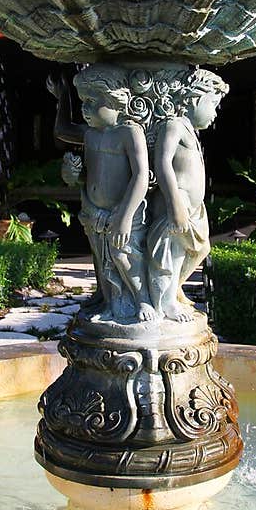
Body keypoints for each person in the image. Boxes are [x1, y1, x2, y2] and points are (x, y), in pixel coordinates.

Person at [47, 71, 152, 323]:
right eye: (84, 102)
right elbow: (62, 130)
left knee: (124, 256)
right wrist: (72, 174)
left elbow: (141, 177)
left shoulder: (129, 132)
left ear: (117, 103)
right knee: (101, 259)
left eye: (94, 102)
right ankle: (109, 303)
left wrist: (124, 218)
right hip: (93, 210)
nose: (86, 109)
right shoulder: (90, 134)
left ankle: (144, 299)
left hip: (123, 211)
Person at [147, 69, 228, 321]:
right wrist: (175, 204)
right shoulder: (174, 125)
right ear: (194, 100)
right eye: (212, 104)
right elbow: (162, 164)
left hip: (193, 209)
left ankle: (174, 290)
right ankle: (165, 302)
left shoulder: (189, 129)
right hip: (176, 204)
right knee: (170, 254)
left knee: (199, 249)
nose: (214, 113)